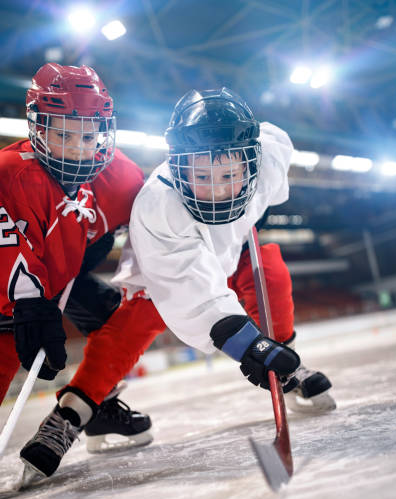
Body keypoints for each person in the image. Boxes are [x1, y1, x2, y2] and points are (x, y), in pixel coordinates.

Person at [18, 87, 334, 479]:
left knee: (267, 266)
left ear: (251, 165)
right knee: (130, 328)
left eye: (229, 175)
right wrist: (246, 344)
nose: (217, 189)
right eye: (202, 176)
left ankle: (283, 363)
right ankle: (72, 413)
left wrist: (265, 346)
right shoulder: (159, 205)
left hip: (229, 257)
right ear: (179, 168)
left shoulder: (268, 157)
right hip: (163, 274)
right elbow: (190, 291)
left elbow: (273, 138)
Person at [0, 63, 155, 476]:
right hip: (10, 293)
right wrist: (29, 306)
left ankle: (94, 407)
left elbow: (159, 230)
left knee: (117, 316)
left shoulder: (123, 178)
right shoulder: (10, 174)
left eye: (88, 135)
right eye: (63, 133)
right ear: (37, 128)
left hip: (62, 279)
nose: (78, 147)